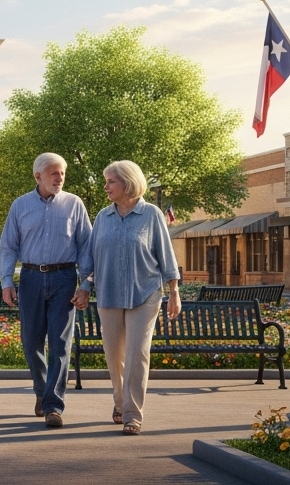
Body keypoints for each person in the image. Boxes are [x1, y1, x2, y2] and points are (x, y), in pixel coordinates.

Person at [0, 152, 94, 429]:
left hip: (64, 277)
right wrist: (6, 281)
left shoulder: (75, 205)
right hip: (30, 278)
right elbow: (8, 247)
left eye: (62, 173)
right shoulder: (20, 206)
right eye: (53, 173)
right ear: (38, 176)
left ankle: (53, 405)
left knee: (61, 345)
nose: (59, 178)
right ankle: (41, 390)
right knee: (31, 342)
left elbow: (86, 247)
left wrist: (85, 284)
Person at [88, 159, 181, 436]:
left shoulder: (151, 215)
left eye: (110, 181)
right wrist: (84, 285)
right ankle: (120, 401)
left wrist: (174, 292)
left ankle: (132, 415)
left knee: (137, 353)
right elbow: (90, 258)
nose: (106, 187)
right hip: (109, 293)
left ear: (127, 182)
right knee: (114, 355)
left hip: (146, 293)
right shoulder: (102, 218)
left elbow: (166, 256)